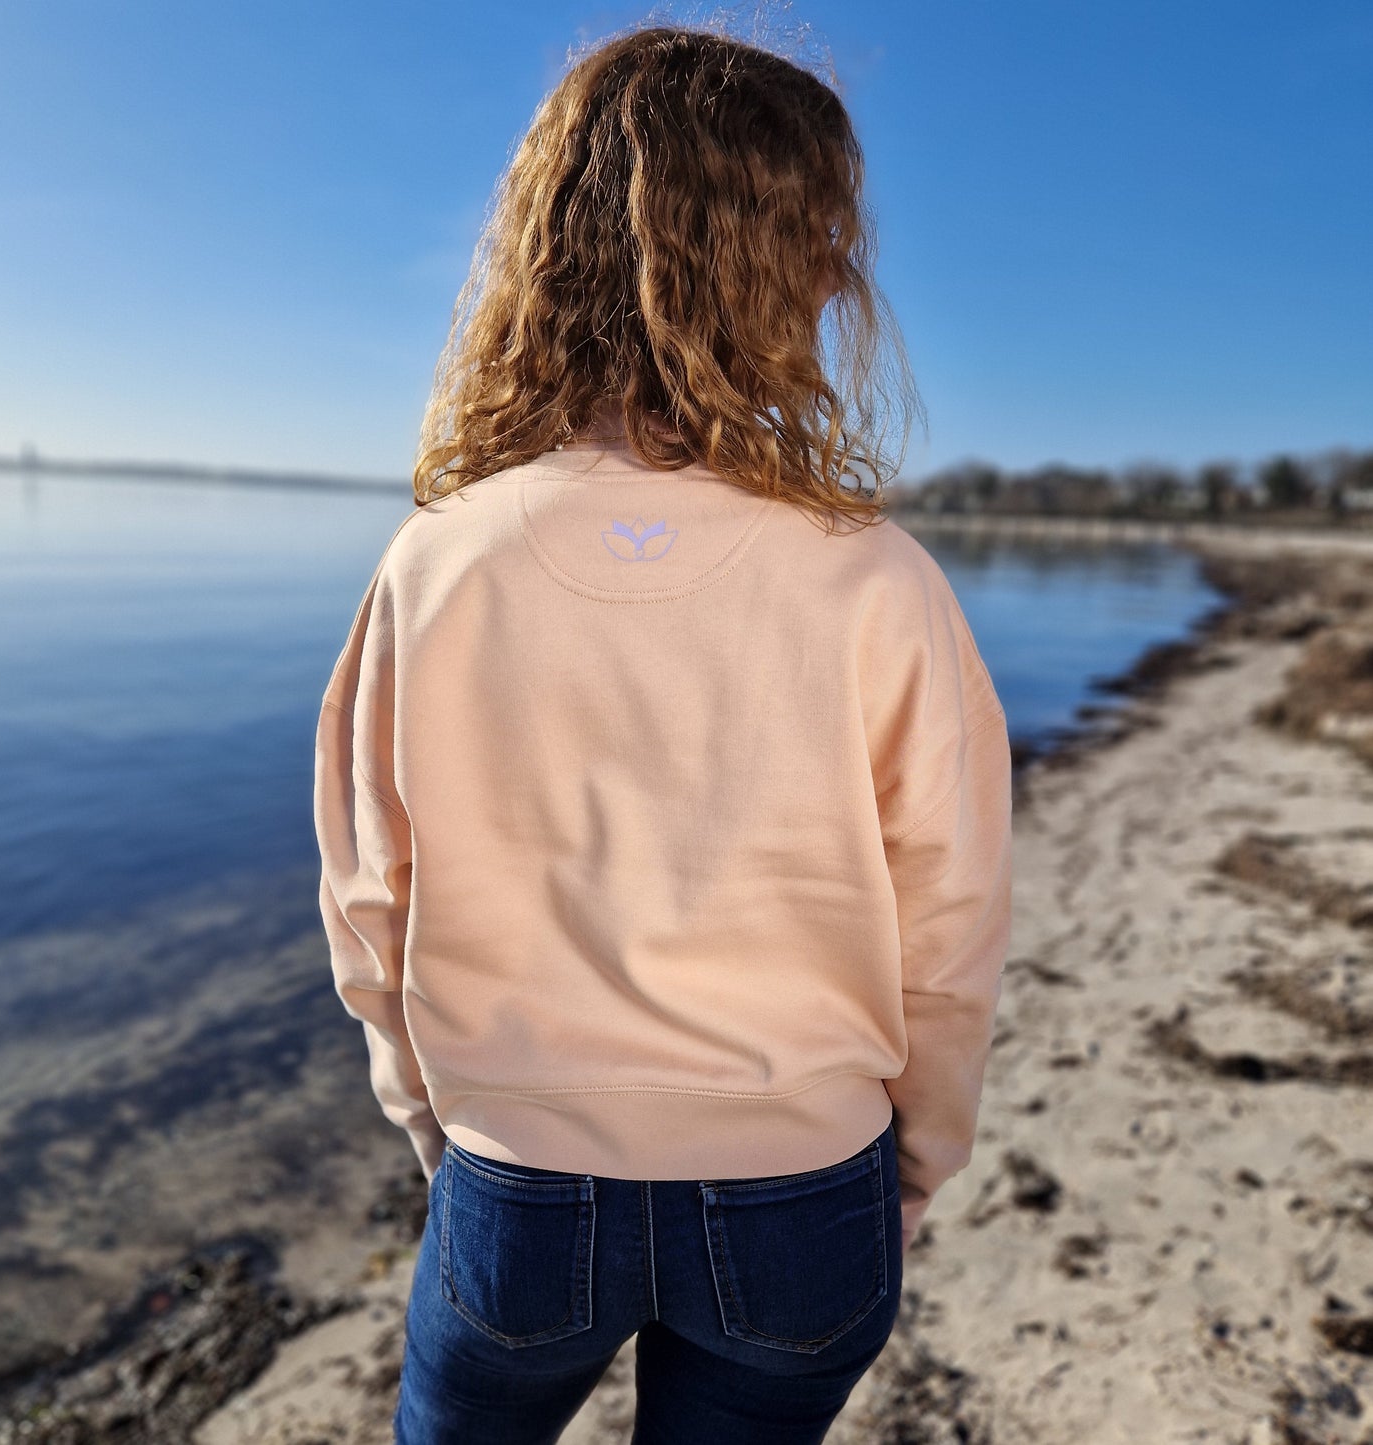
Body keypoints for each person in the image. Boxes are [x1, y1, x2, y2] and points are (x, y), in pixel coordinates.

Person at [311, 20, 1012, 1445]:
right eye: (826, 240)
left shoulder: (440, 559)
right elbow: (948, 922)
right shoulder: (878, 580)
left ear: (547, 248)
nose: (840, 274)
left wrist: (430, 1117)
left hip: (518, 1181)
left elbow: (369, 895)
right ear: (788, 267)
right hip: (804, 1189)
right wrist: (924, 1153)